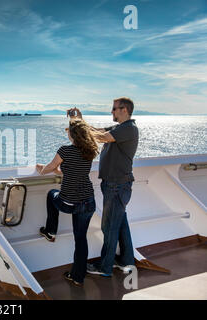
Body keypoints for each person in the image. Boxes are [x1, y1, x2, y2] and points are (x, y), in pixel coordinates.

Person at [69, 97, 139, 277]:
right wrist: (80, 120)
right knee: (120, 224)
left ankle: (105, 267)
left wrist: (76, 128)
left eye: (114, 109)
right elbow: (96, 131)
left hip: (117, 185)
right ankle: (126, 260)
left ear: (125, 110)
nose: (112, 111)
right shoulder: (119, 128)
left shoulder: (128, 129)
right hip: (115, 184)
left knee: (109, 227)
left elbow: (100, 137)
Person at [36, 118, 98, 286]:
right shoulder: (89, 150)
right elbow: (72, 170)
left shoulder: (65, 151)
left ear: (72, 134)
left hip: (69, 203)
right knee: (81, 239)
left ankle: (50, 231)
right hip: (88, 202)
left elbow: (48, 168)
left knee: (52, 194)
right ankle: (78, 277)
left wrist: (41, 169)